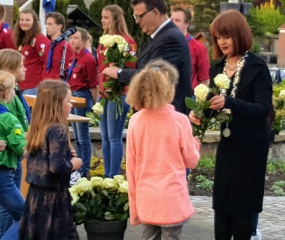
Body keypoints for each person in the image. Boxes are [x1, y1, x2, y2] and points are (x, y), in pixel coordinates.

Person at [189, 10, 272, 239]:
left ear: (239, 34)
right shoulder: (217, 68)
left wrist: (230, 102)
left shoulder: (257, 67)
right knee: (222, 202)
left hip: (253, 145)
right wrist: (199, 115)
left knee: (242, 205)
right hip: (229, 142)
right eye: (218, 37)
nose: (221, 41)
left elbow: (263, 109)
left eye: (227, 36)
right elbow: (213, 107)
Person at [126, 59, 200, 239]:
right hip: (171, 200)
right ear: (170, 88)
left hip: (147, 199)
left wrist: (134, 209)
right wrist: (196, 143)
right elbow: (191, 160)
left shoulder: (136, 121)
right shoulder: (179, 121)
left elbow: (131, 167)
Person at [103, 0, 191, 115]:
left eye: (140, 16)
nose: (137, 21)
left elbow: (155, 76)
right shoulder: (159, 36)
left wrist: (119, 73)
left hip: (166, 116)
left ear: (155, 12)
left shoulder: (170, 38)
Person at [19, 80, 82, 240]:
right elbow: (56, 166)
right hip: (53, 199)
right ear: (57, 104)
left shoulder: (38, 126)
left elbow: (41, 157)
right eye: (68, 101)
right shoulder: (57, 129)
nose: (71, 105)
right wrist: (74, 164)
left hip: (35, 196)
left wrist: (65, 154)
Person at [98, 4, 137, 178]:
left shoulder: (126, 41)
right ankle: (107, 173)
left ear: (115, 19)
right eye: (102, 17)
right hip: (104, 93)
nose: (102, 20)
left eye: (106, 17)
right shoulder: (103, 39)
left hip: (118, 93)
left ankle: (113, 176)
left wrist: (118, 68)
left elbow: (130, 68)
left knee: (114, 137)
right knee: (105, 137)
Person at [0, 48, 29, 238]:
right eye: (21, 65)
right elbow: (15, 133)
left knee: (10, 209)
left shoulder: (15, 92)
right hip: (7, 162)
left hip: (10, 160)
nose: (25, 68)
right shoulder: (7, 109)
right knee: (26, 215)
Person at [67, 27, 99, 182]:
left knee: (83, 136)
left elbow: (93, 84)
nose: (73, 41)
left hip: (82, 96)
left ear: (85, 40)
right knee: (77, 136)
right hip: (72, 96)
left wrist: (93, 103)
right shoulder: (74, 57)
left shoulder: (88, 59)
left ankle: (84, 169)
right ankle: (78, 167)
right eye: (71, 38)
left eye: (76, 38)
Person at [171, 6, 210, 91]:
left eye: (177, 20)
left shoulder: (199, 48)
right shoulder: (165, 44)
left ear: (187, 24)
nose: (173, 23)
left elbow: (204, 80)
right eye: (171, 20)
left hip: (188, 98)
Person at [13, 9, 50, 95]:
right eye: (21, 20)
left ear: (34, 22)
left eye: (27, 20)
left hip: (33, 86)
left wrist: (44, 82)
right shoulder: (22, 38)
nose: (24, 22)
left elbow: (47, 62)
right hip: (21, 84)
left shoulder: (40, 39)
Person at [43, 12, 73, 80]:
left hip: (58, 84)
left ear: (59, 26)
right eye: (46, 24)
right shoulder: (48, 46)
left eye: (50, 24)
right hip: (46, 82)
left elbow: (68, 67)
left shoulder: (66, 46)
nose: (46, 27)